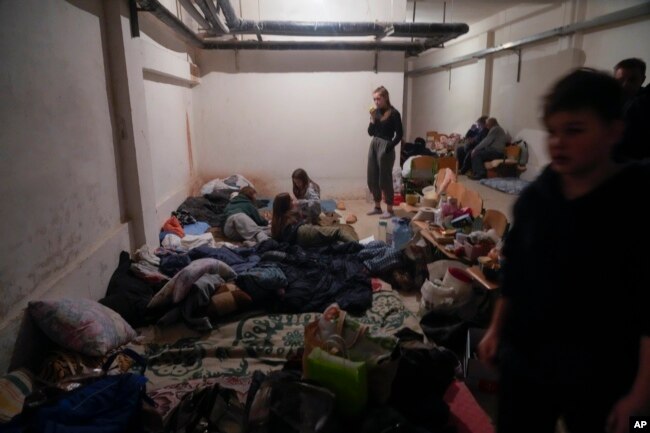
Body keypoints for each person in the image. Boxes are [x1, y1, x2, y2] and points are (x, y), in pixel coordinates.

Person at [478, 68, 650, 433]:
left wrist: (641, 396)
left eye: (574, 131)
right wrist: (496, 329)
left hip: (603, 375)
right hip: (527, 362)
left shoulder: (635, 205)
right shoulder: (538, 199)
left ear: (613, 132)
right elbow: (515, 274)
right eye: (553, 131)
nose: (558, 143)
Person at [367, 86, 403, 219]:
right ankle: (377, 207)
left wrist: (389, 147)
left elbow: (399, 135)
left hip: (386, 145)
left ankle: (389, 209)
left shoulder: (394, 113)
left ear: (385, 97)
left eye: (378, 98)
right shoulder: (375, 113)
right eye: (374, 99)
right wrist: (371, 119)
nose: (376, 102)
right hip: (374, 144)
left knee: (385, 178)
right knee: (372, 176)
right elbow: (370, 133)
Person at [271, 193, 356, 248]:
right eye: (291, 200)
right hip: (310, 239)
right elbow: (337, 232)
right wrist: (360, 248)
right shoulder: (303, 230)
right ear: (288, 207)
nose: (295, 201)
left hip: (304, 241)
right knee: (345, 230)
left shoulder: (276, 225)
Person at [613, 58, 650, 161]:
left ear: (642, 79)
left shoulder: (644, 104)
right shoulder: (605, 102)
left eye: (632, 80)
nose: (625, 85)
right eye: (620, 80)